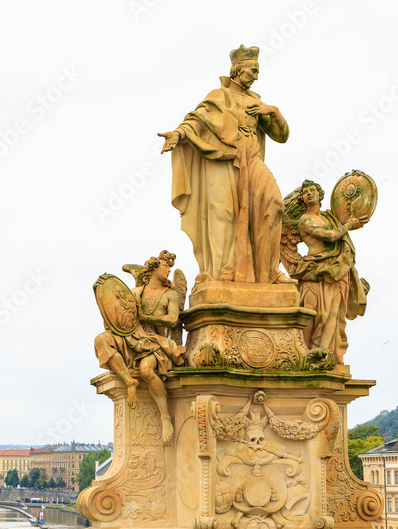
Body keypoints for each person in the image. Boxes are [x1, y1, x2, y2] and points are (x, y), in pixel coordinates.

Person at [160, 45, 291, 284]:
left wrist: (273, 111)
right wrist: (178, 135)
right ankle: (221, 272)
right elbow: (195, 120)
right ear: (237, 70)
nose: (256, 76)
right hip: (222, 161)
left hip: (251, 161)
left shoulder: (257, 102)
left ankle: (269, 271)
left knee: (274, 205)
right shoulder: (218, 96)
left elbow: (282, 136)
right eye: (253, 70)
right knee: (224, 214)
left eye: (257, 71)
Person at [94, 252, 186, 442]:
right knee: (101, 340)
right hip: (132, 337)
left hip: (156, 342)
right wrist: (101, 291)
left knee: (146, 369)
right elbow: (120, 314)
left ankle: (165, 417)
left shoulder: (171, 295)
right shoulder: (136, 293)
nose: (168, 270)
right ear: (153, 268)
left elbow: (172, 319)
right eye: (165, 266)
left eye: (170, 267)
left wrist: (147, 318)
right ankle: (129, 382)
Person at [291, 180, 366, 365]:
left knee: (333, 313)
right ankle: (305, 354)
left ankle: (325, 356)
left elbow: (338, 235)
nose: (309, 194)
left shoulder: (330, 218)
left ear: (320, 194)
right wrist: (348, 225)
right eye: (305, 192)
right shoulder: (305, 220)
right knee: (311, 312)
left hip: (337, 269)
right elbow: (330, 236)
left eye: (312, 190)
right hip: (313, 270)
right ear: (302, 198)